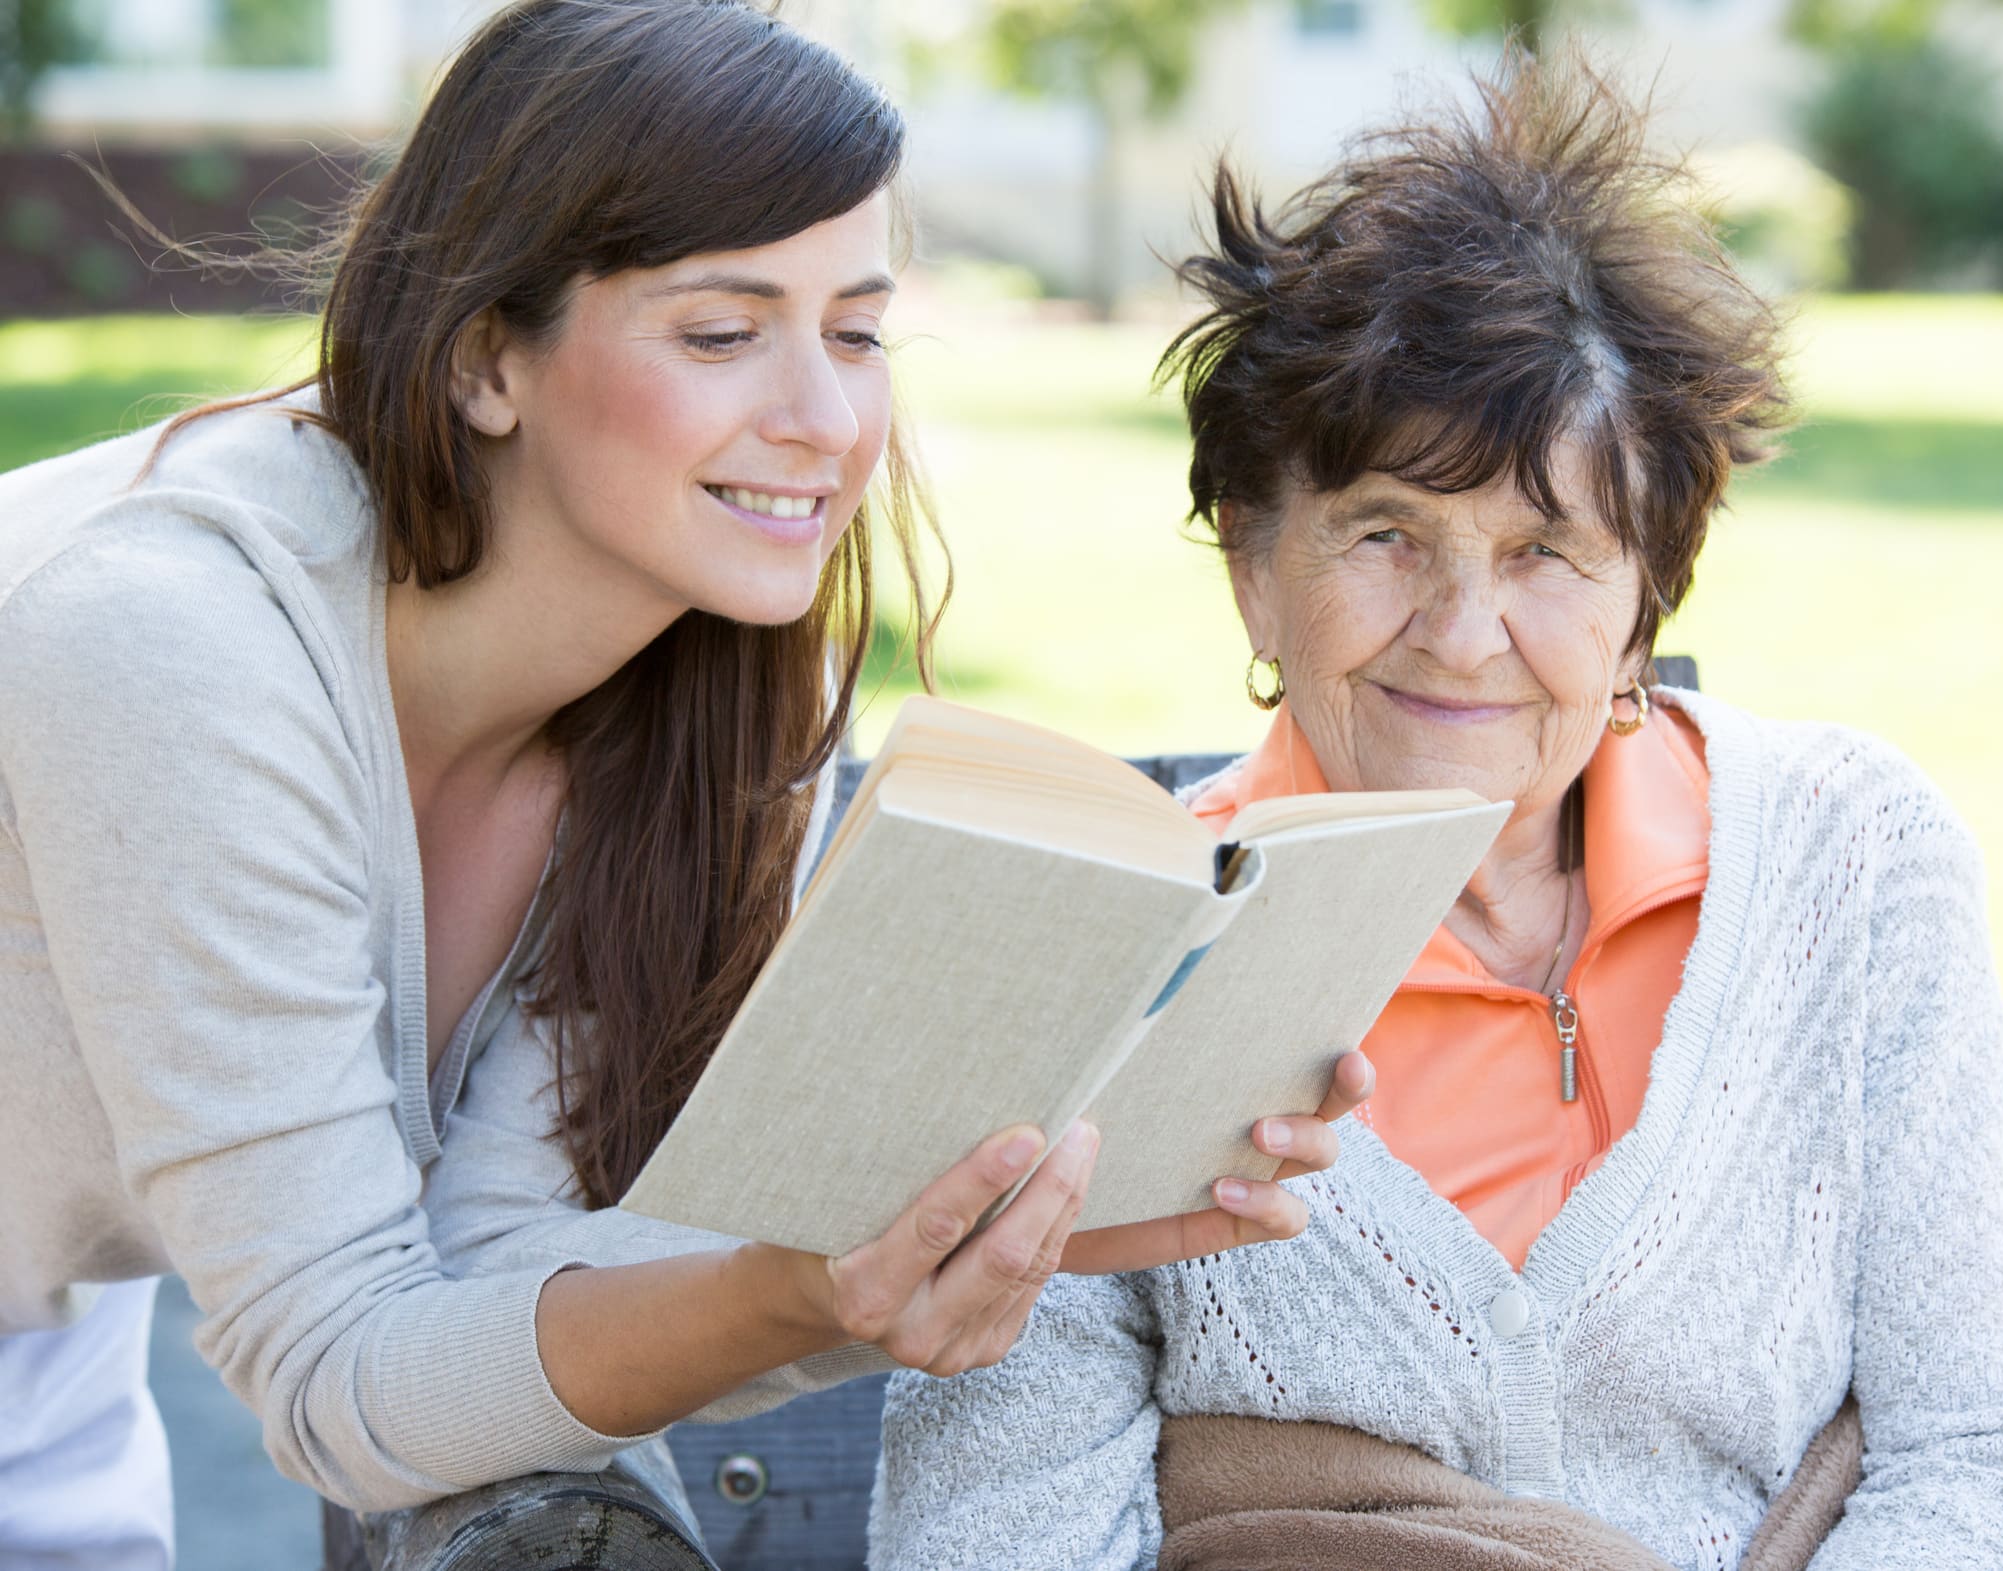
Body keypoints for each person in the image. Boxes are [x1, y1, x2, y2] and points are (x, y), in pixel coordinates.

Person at [0, 1, 1368, 1555]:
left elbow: (485, 1297)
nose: (821, 418)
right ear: (482, 364)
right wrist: (788, 1288)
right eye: (723, 333)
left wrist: (958, 1226)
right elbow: (340, 1383)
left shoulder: (700, 692)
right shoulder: (173, 647)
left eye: (855, 330)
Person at [873, 54, 2003, 1571]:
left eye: (1548, 551)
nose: (1463, 631)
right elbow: (990, 1540)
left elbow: (1997, 1445)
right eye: (1385, 534)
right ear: (1250, 564)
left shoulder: (1852, 860)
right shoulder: (1092, 955)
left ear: (1644, 598)